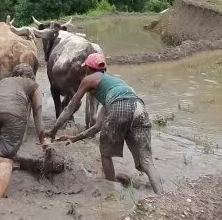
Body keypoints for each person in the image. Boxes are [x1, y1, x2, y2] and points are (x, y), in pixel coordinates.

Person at [48, 53, 163, 194]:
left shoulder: (90, 79)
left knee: (105, 154)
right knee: (146, 162)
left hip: (120, 106)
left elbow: (70, 107)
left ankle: (111, 191)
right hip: (139, 107)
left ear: (89, 69)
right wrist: (73, 139)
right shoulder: (114, 86)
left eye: (86, 70)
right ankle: (161, 197)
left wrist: (52, 131)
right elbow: (97, 127)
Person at [0, 63, 47, 197]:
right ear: (31, 77)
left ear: (14, 74)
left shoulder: (4, 81)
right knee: (6, 158)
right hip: (13, 112)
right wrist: (43, 139)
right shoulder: (32, 85)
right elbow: (37, 113)